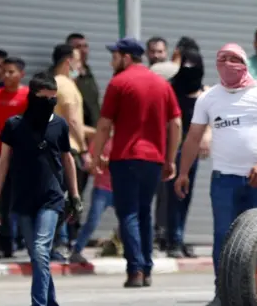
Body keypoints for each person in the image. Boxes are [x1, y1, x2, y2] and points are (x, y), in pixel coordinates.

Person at [175, 43, 257, 306]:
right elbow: (193, 137)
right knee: (223, 237)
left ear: (244, 63)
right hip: (224, 180)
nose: (227, 64)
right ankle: (223, 292)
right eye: (222, 59)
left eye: (233, 59)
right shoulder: (209, 98)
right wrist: (183, 172)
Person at [0, 72, 82, 306]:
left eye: (54, 99)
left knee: (41, 250)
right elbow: (3, 162)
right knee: (38, 257)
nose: (50, 104)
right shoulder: (14, 125)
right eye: (45, 99)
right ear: (32, 97)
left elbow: (68, 160)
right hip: (22, 200)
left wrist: (74, 196)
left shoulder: (59, 126)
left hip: (51, 200)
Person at [91, 37, 182, 288]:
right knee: (144, 213)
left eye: (114, 56)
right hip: (153, 160)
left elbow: (104, 125)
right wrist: (170, 158)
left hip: (126, 157)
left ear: (126, 57)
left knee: (128, 213)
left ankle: (135, 270)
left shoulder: (118, 83)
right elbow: (175, 123)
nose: (112, 61)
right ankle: (147, 268)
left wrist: (96, 155)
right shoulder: (162, 85)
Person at [164, 49, 210, 259]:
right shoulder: (172, 88)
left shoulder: (203, 91)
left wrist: (206, 137)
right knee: (173, 196)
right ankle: (172, 239)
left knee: (186, 196)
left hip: (192, 149)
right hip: (174, 149)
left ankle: (179, 237)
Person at [0, 57, 29, 259]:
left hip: (22, 156)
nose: (6, 75)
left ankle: (26, 240)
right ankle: (5, 244)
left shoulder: (28, 95)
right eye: (4, 71)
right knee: (1, 199)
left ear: (22, 74)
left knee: (23, 198)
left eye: (11, 72)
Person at [52, 44, 93, 254]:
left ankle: (58, 241)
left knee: (58, 196)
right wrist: (85, 150)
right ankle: (59, 242)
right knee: (68, 197)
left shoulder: (52, 84)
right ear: (68, 62)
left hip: (54, 147)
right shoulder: (66, 86)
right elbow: (73, 122)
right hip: (68, 149)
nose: (81, 65)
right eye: (78, 61)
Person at [70, 135, 114, 264]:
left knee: (128, 220)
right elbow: (88, 164)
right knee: (92, 222)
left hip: (120, 188)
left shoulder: (123, 139)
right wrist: (97, 162)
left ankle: (132, 250)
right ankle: (77, 250)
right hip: (102, 187)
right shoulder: (99, 140)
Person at [66, 33, 101, 133]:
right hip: (77, 130)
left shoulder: (88, 72)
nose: (83, 50)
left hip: (93, 131)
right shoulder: (65, 73)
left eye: (85, 46)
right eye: (78, 47)